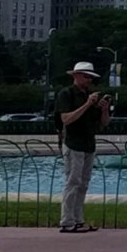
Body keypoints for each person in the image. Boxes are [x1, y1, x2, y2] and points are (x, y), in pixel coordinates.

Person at [54, 61, 110, 234]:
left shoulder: (90, 95)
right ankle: (67, 220)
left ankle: (78, 219)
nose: (89, 81)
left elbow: (103, 124)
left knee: (83, 183)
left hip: (88, 144)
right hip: (73, 143)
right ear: (76, 76)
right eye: (86, 76)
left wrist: (104, 110)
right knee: (73, 182)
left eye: (91, 78)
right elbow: (66, 119)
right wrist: (87, 104)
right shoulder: (67, 94)